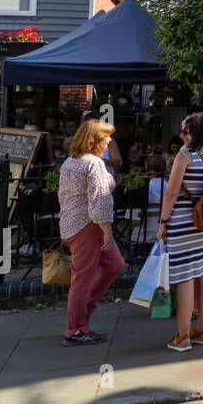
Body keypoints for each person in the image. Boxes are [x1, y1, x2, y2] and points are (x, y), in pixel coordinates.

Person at [158, 112, 203, 352]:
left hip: (184, 223)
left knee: (185, 277)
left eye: (185, 131)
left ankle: (183, 336)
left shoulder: (185, 155)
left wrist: (163, 221)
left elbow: (171, 192)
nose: (181, 135)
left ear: (195, 133)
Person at [58, 119, 125, 347]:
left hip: (74, 225)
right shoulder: (94, 163)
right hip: (89, 227)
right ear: (95, 139)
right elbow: (100, 199)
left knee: (114, 265)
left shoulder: (70, 162)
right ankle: (75, 329)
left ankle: (83, 317)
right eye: (106, 136)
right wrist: (106, 230)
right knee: (83, 279)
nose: (109, 141)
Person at [83, 110, 123, 176]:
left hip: (105, 177)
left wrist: (98, 160)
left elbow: (118, 162)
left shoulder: (109, 141)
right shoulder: (80, 141)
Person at [143, 154, 166, 242]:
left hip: (144, 235)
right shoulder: (167, 185)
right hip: (161, 234)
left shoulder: (147, 186)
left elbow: (134, 222)